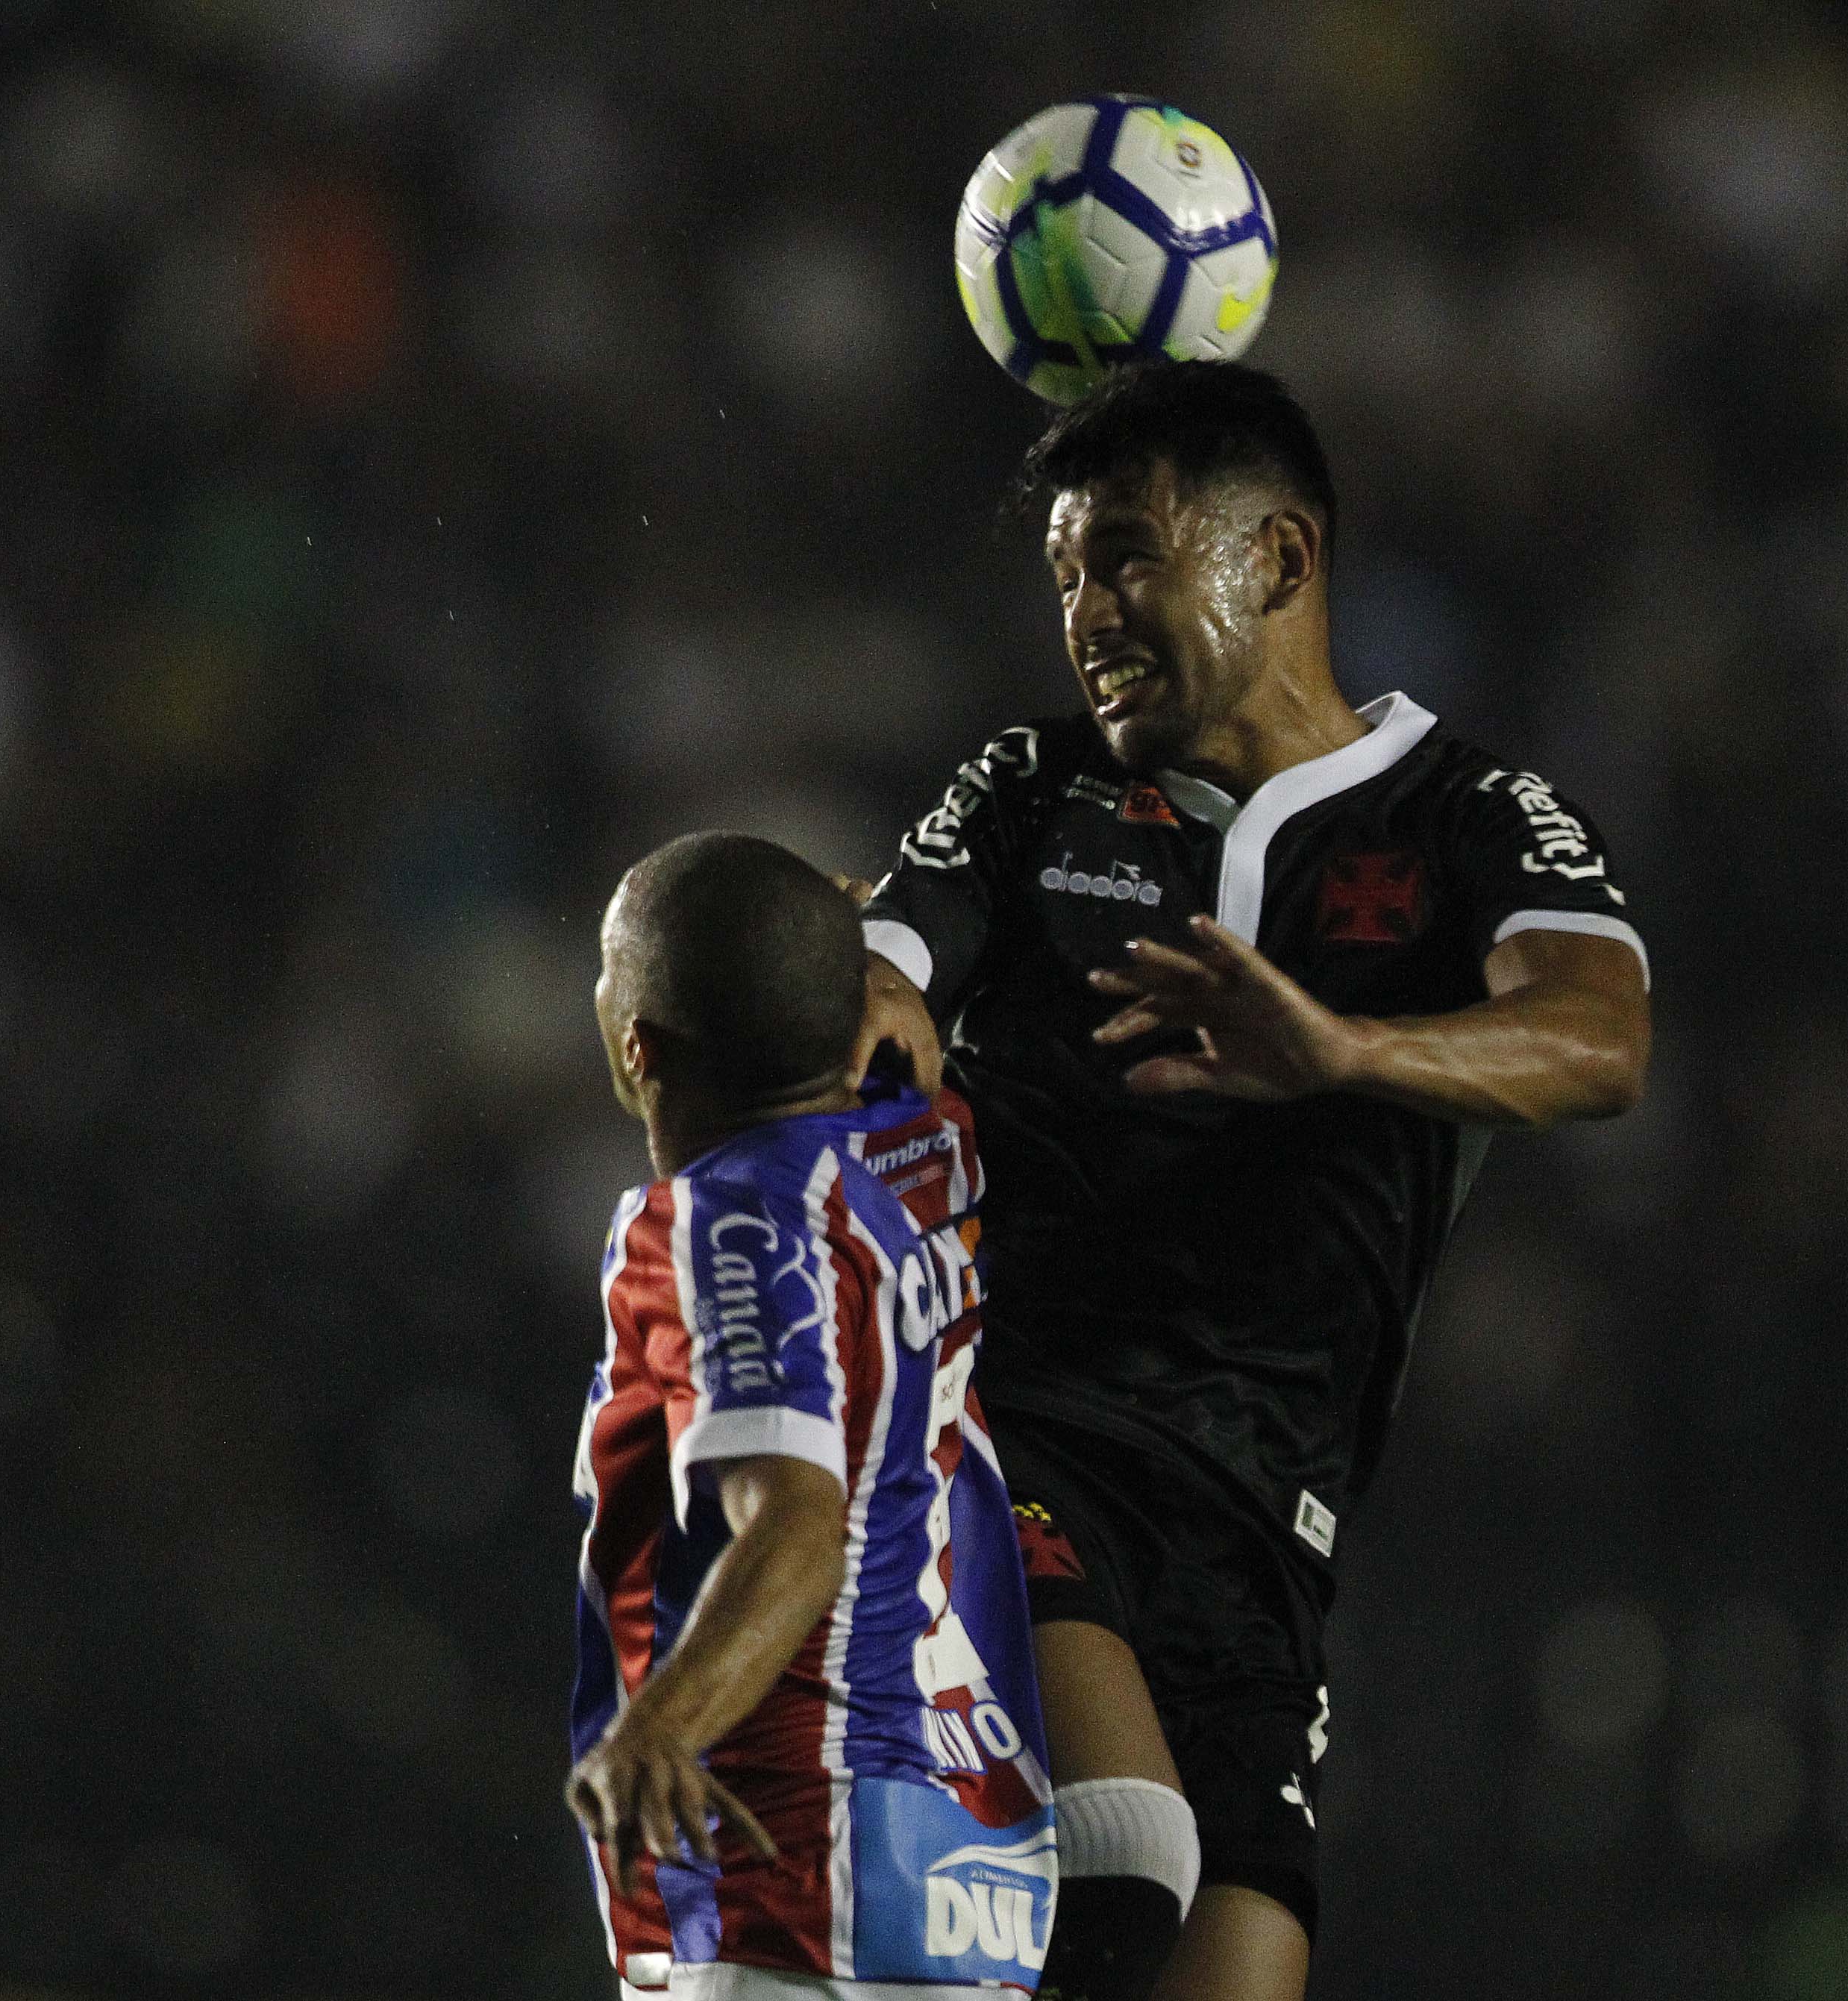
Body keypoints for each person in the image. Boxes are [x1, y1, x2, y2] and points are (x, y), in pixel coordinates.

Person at [854, 361, 1652, 2001]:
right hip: (1014, 1434)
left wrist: (1342, 1050)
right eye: (1065, 576)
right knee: (1119, 1850)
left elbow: (1600, 1038)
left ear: (1276, 558)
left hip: (1264, 1534)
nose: (1085, 614)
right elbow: (877, 973)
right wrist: (859, 1030)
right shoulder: (1029, 792)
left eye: (1125, 559)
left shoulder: (1463, 818)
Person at [565, 831, 1056, 2000]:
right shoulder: (924, 1134)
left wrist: (662, 1726)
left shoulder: (725, 1220)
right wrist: (867, 966)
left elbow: (795, 1522)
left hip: (790, 1866)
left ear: (639, 1044)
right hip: (963, 1872)